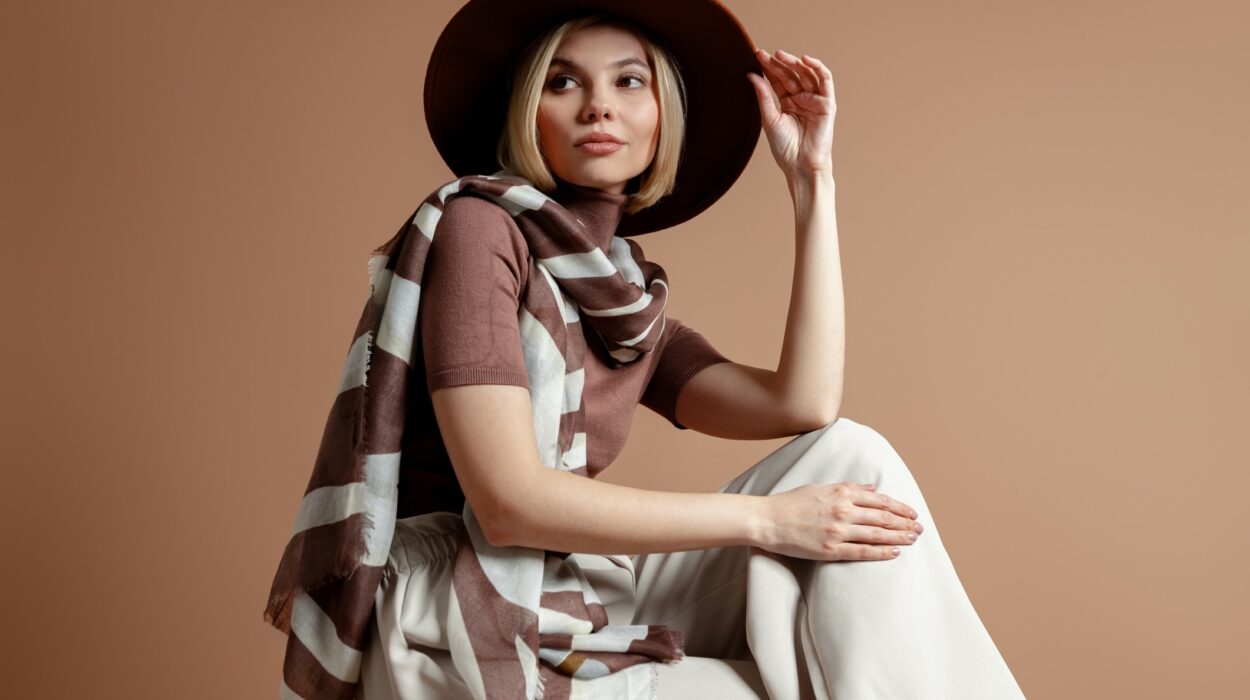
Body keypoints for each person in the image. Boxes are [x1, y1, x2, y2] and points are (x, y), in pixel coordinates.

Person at [265, 2, 1028, 698]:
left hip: (575, 591)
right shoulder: (478, 228)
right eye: (564, 81)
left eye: (630, 81)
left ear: (664, 116)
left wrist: (811, 180)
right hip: (463, 611)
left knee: (852, 455)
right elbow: (507, 504)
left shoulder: (622, 297)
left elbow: (804, 405)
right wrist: (768, 521)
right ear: (528, 111)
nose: (599, 104)